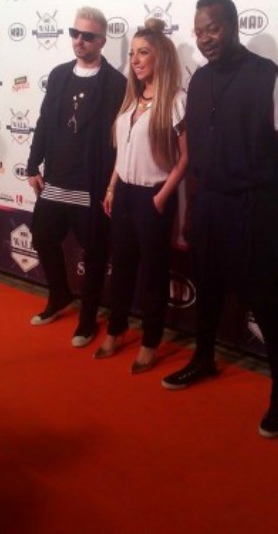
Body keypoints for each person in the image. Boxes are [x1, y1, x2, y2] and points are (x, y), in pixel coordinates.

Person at [161, 0, 278, 438]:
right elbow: (196, 152)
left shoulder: (267, 77)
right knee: (207, 289)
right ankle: (204, 358)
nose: (204, 38)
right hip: (209, 205)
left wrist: (263, 185)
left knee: (266, 300)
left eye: (213, 28)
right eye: (198, 31)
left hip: (253, 206)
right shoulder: (200, 81)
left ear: (233, 25)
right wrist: (193, 206)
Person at [27, 7, 126, 347]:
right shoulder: (58, 75)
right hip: (55, 180)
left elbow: (119, 139)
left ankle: (87, 318)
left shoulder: (116, 83)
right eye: (74, 33)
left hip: (91, 185)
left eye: (87, 36)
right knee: (42, 238)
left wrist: (110, 186)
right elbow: (44, 122)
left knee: (95, 254)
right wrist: (32, 165)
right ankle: (59, 295)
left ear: (102, 41)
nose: (79, 41)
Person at [94, 18, 187, 372]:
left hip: (154, 196)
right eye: (132, 53)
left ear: (161, 56)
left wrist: (162, 197)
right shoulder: (132, 98)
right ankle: (115, 331)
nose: (134, 59)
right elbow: (124, 152)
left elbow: (187, 157)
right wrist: (111, 187)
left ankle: (150, 341)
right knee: (121, 268)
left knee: (152, 274)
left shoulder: (176, 101)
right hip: (123, 195)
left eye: (143, 52)